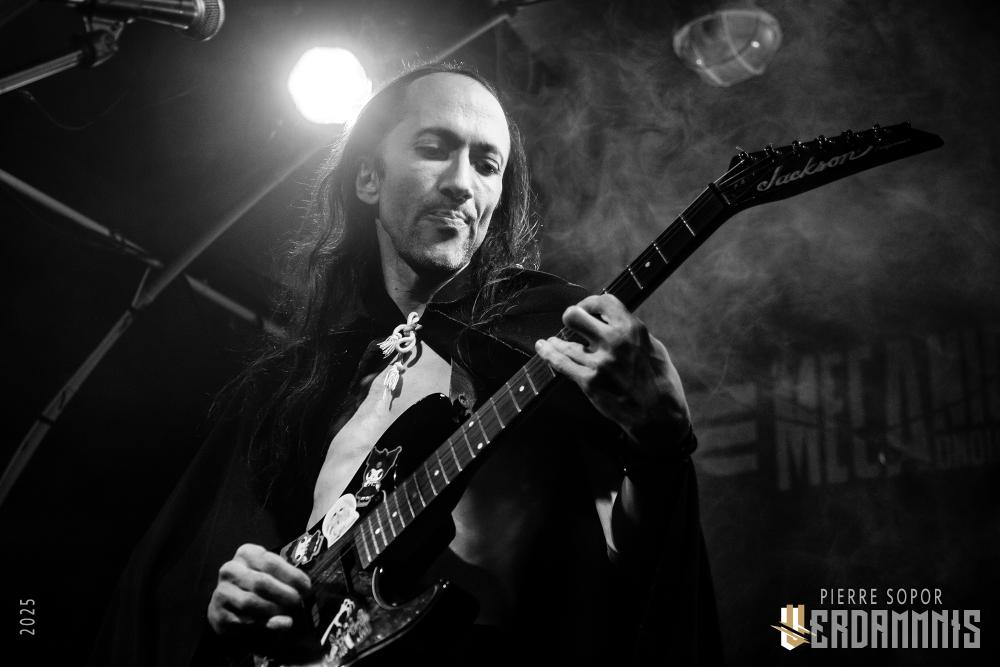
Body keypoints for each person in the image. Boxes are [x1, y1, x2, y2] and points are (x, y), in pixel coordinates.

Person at [89, 63, 720, 667]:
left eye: (487, 164)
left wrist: (662, 444)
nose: (462, 182)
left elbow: (642, 579)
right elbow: (186, 577)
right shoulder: (305, 384)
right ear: (369, 177)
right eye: (434, 148)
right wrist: (233, 600)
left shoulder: (548, 333)